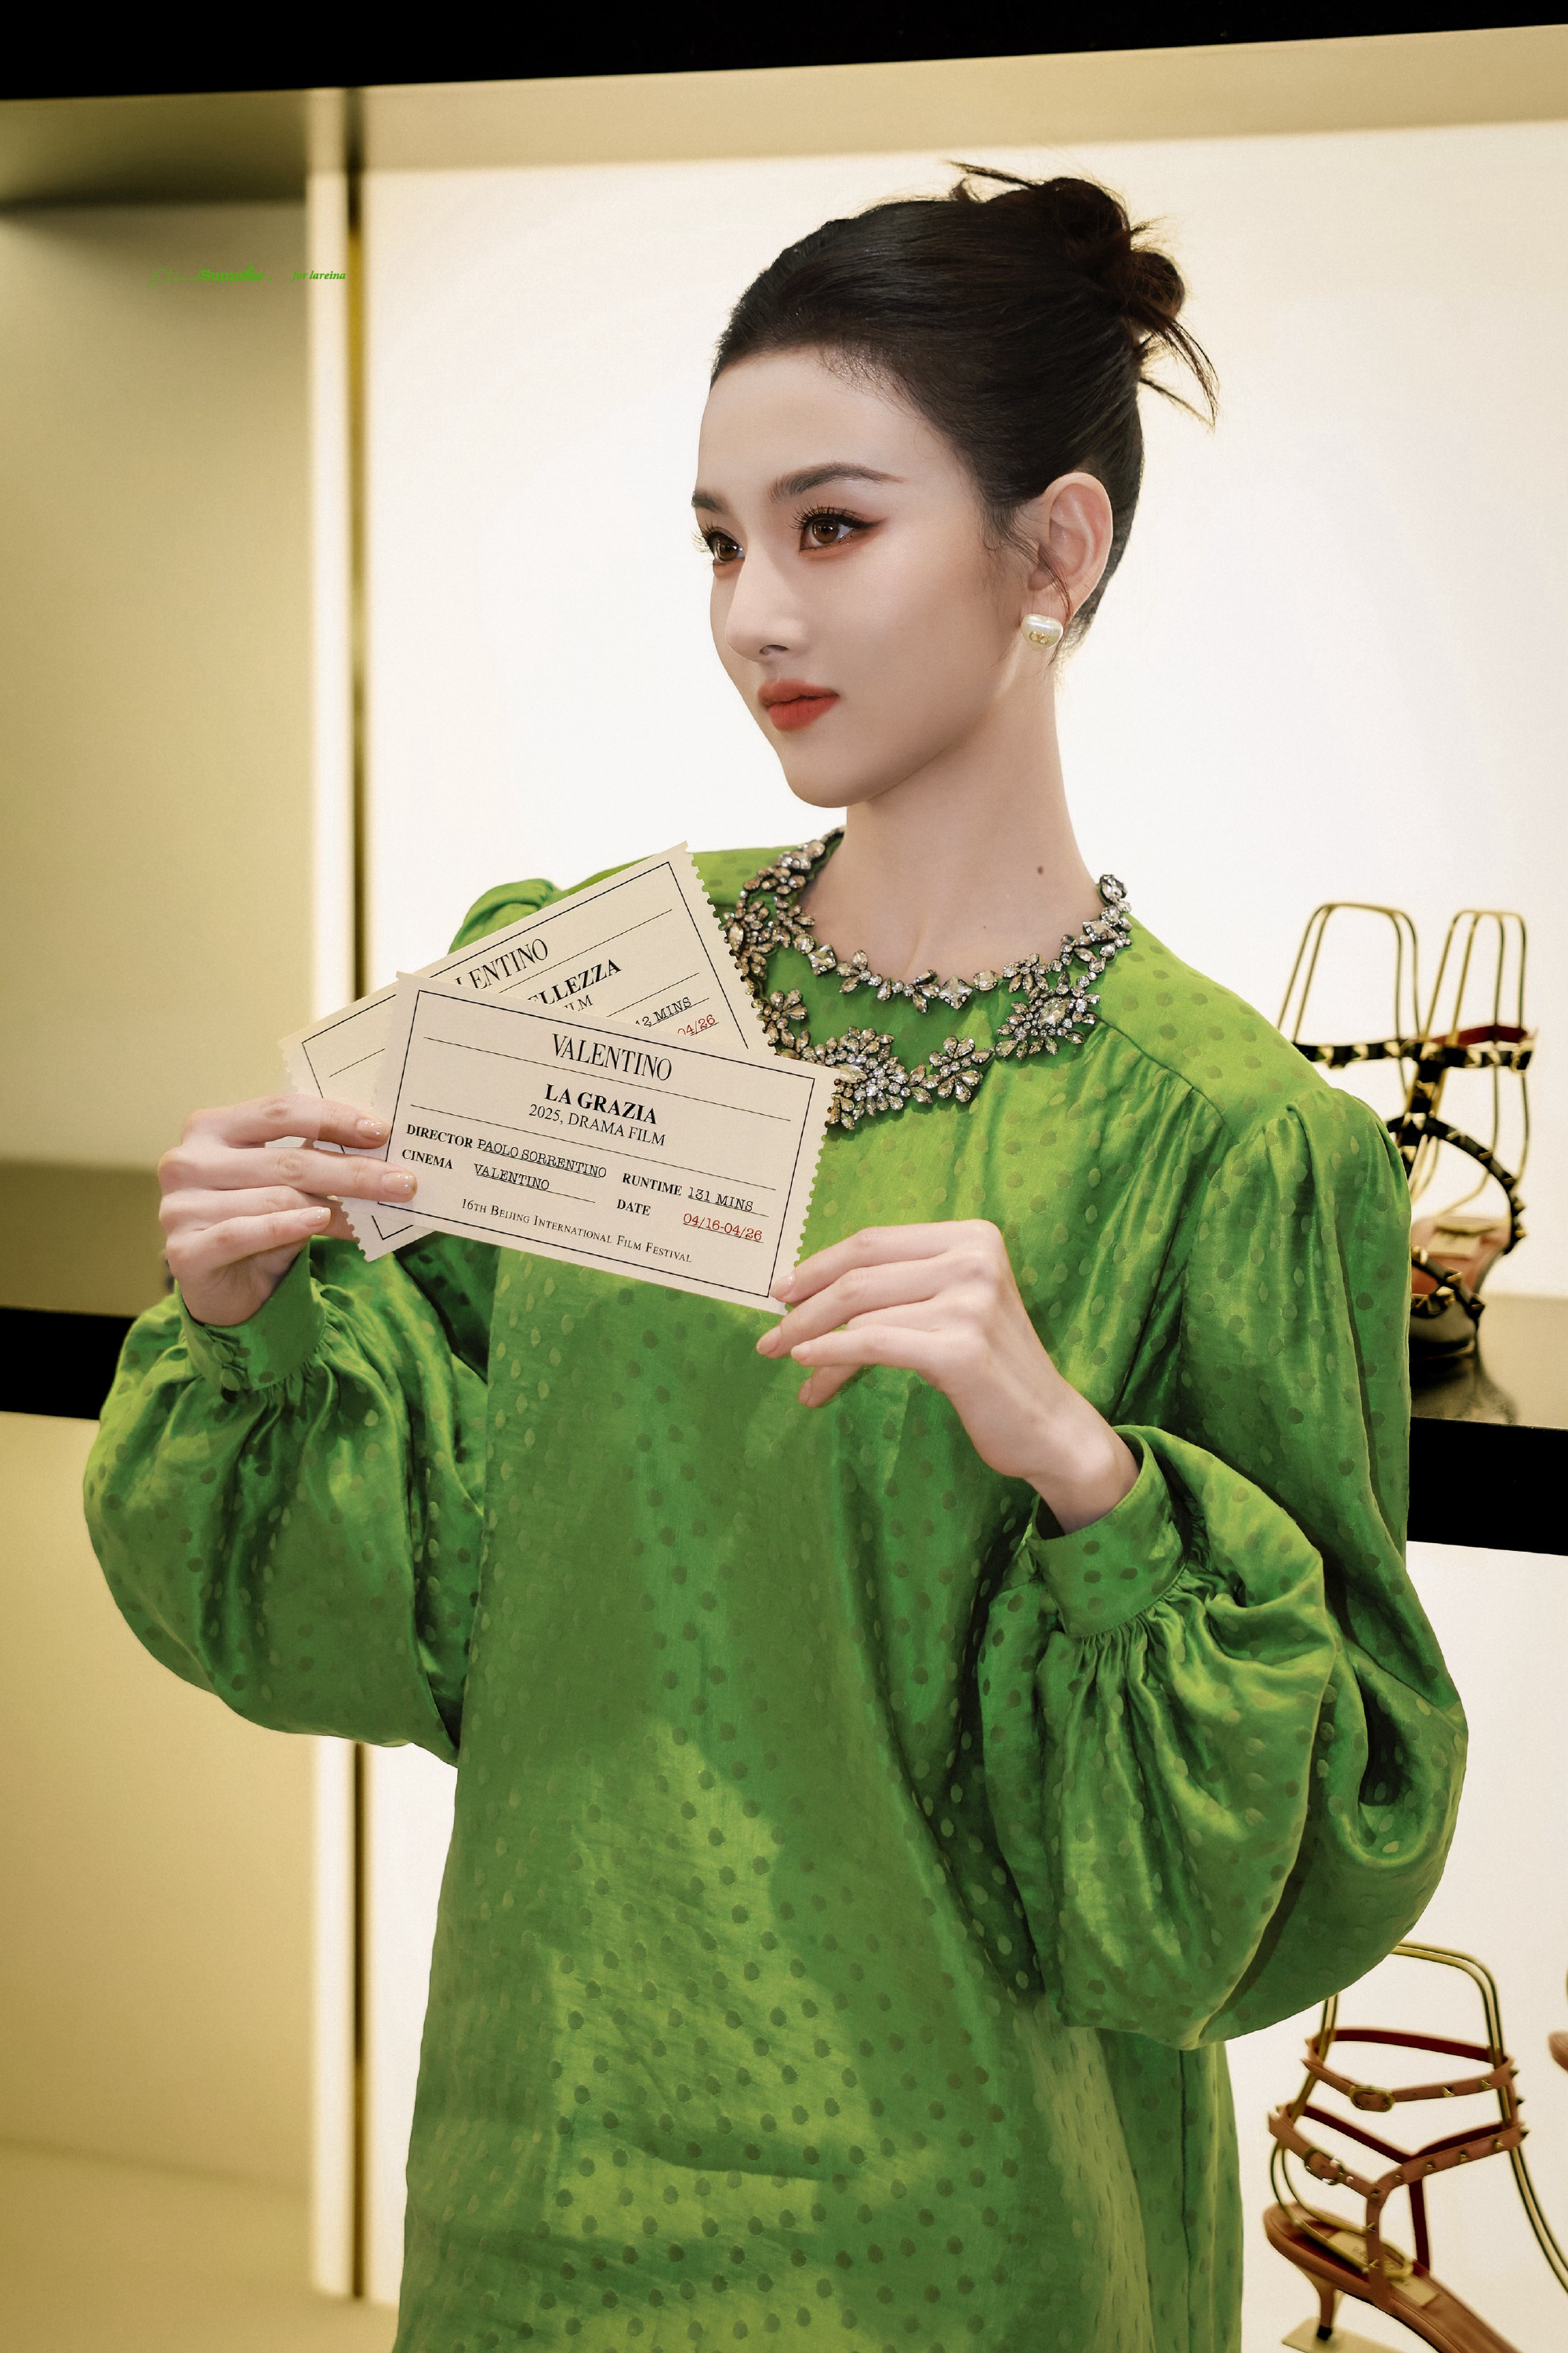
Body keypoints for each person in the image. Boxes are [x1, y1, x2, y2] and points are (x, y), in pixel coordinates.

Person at [87, 170, 1465, 2352]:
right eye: (720, 543)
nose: (753, 615)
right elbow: (393, 1600)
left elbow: (1286, 1856)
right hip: (539, 2159)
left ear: (1056, 550)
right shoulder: (577, 988)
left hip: (967, 2220)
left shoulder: (1225, 1141)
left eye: (830, 527)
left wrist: (1086, 1472)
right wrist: (255, 1320)